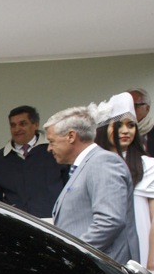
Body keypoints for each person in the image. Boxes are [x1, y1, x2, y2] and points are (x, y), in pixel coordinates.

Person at [46, 105, 136, 263]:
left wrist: (71, 253)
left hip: (101, 270)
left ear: (71, 136)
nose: (49, 148)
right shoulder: (86, 165)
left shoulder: (102, 162)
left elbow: (109, 221)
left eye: (52, 141)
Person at [102, 116, 154, 274]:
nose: (125, 131)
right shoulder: (95, 164)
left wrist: (153, 267)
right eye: (119, 125)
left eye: (131, 125)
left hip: (143, 246)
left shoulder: (149, 165)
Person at [0, 105, 65, 217]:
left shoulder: (56, 152)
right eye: (13, 125)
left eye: (23, 124)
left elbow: (70, 188)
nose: (17, 129)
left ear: (36, 124)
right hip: (17, 225)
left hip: (54, 223)